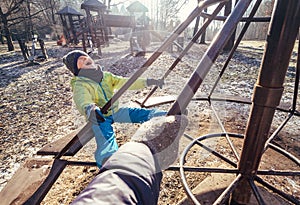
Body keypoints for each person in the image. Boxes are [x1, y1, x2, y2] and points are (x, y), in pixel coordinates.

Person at [63, 50, 166, 167]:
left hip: (115, 111)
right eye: (80, 60)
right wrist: (90, 109)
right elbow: (82, 99)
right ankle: (108, 159)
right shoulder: (80, 84)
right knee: (105, 135)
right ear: (76, 70)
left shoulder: (106, 76)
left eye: (85, 57)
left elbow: (126, 83)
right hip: (100, 116)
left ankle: (164, 115)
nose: (85, 59)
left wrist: (148, 82)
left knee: (138, 113)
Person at [71, 114, 188, 205]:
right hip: (106, 114)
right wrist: (144, 149)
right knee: (102, 125)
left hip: (112, 111)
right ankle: (109, 155)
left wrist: (149, 81)